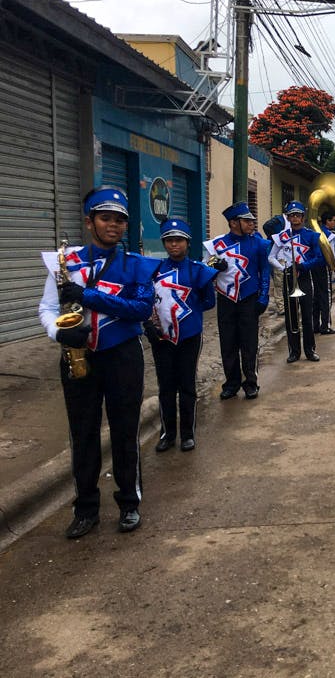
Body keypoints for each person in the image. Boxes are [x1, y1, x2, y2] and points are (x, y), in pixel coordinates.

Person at [38, 187, 158, 538]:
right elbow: (47, 308)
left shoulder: (136, 264)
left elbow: (141, 309)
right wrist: (58, 333)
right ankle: (86, 509)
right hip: (77, 357)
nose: (113, 225)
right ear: (89, 222)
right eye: (106, 218)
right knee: (83, 434)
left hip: (123, 355)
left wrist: (89, 296)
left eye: (120, 220)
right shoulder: (65, 262)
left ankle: (129, 503)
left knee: (125, 431)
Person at [146, 218, 221, 454]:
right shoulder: (154, 269)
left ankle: (187, 434)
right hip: (162, 337)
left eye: (178, 240)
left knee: (187, 385)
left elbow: (209, 301)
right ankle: (167, 434)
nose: (173, 245)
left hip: (189, 335)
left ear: (187, 243)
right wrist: (151, 324)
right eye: (169, 240)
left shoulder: (198, 270)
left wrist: (188, 310)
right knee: (166, 386)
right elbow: (147, 300)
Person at [206, 201, 271, 399]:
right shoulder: (217, 244)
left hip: (249, 298)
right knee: (228, 343)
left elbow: (264, 271)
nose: (252, 224)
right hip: (226, 299)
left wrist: (264, 296)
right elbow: (206, 264)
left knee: (249, 343)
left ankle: (251, 382)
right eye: (247, 221)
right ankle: (231, 383)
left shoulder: (258, 243)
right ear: (234, 223)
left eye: (252, 221)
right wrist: (215, 264)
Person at [271, 201, 324, 363]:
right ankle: (294, 351)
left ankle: (310, 350)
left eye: (298, 215)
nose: (295, 218)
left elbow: (319, 258)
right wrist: (283, 268)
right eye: (292, 215)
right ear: (288, 218)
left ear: (303, 217)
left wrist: (303, 266)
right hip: (289, 278)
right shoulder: (282, 236)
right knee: (291, 317)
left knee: (307, 316)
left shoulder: (311, 235)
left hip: (304, 277)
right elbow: (271, 257)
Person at [314, 212, 335, 335]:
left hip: (314, 266)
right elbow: (331, 253)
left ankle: (315, 325)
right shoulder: (329, 235)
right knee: (326, 296)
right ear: (327, 221)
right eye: (333, 220)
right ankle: (326, 325)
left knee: (316, 295)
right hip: (324, 266)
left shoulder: (315, 232)